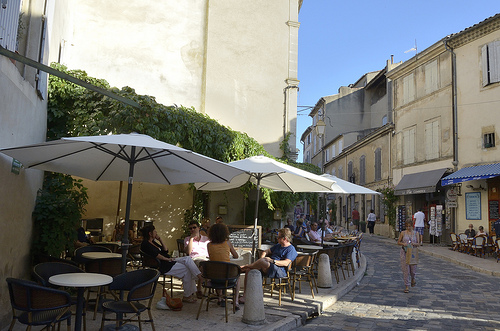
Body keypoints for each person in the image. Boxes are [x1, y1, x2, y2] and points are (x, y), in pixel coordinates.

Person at [140, 225, 203, 303]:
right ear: (150, 233)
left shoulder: (153, 242)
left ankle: (197, 278)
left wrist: (160, 239)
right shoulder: (145, 244)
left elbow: (165, 250)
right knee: (187, 269)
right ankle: (197, 281)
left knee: (187, 260)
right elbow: (157, 255)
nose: (156, 232)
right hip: (163, 265)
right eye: (154, 231)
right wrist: (167, 259)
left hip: (168, 261)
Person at [239, 228, 297, 303]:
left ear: (284, 238)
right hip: (268, 266)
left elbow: (286, 263)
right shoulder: (278, 245)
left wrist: (272, 261)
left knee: (263, 262)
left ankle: (246, 266)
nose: (277, 239)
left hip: (279, 270)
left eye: (279, 237)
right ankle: (245, 296)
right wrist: (262, 258)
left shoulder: (291, 249)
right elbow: (266, 251)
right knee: (249, 270)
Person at [207, 222, 240, 309]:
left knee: (217, 270)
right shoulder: (227, 243)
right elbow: (236, 256)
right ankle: (236, 301)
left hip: (213, 278)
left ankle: (220, 297)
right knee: (238, 277)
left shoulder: (209, 245)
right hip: (227, 278)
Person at [397, 220, 422, 293]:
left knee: (413, 270)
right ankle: (407, 285)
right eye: (407, 226)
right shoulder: (403, 233)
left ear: (412, 226)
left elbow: (418, 243)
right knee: (406, 270)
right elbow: (398, 242)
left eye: (409, 226)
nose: (408, 227)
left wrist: (414, 243)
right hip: (404, 252)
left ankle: (413, 278)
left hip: (413, 253)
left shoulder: (416, 233)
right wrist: (403, 244)